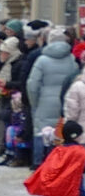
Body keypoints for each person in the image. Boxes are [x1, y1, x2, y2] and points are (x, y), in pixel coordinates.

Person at [27, 29, 81, 168]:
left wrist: (34, 102)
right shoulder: (71, 59)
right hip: (65, 100)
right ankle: (58, 164)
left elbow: (32, 85)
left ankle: (38, 163)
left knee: (41, 131)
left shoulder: (42, 60)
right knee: (60, 132)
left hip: (44, 101)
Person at [25, 120, 85, 196]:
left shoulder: (59, 150)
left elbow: (50, 166)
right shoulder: (80, 151)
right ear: (75, 136)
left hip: (61, 183)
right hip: (73, 183)